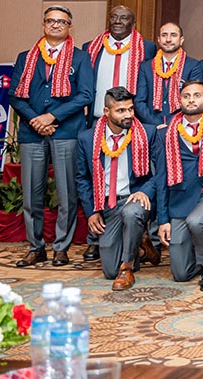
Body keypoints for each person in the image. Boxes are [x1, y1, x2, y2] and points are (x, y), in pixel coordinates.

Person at [9, 5, 93, 268]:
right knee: (31, 194)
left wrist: (52, 117)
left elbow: (85, 95)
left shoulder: (81, 58)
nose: (56, 24)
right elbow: (14, 95)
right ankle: (36, 247)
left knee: (67, 193)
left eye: (62, 21)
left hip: (66, 131)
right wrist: (37, 120)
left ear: (70, 27)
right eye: (51, 20)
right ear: (43, 24)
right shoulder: (26, 57)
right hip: (32, 132)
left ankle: (61, 248)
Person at [81, 5, 157, 262]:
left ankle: (139, 236)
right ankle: (96, 238)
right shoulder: (91, 47)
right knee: (97, 172)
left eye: (124, 18)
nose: (117, 21)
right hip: (98, 120)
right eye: (113, 17)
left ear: (133, 23)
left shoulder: (147, 48)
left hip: (130, 122)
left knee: (131, 176)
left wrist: (133, 114)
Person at [75, 87, 159, 291]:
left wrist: (145, 191)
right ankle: (140, 245)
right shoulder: (87, 138)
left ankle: (127, 268)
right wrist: (92, 212)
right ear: (106, 112)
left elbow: (162, 172)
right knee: (109, 270)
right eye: (121, 110)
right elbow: (82, 178)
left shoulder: (147, 133)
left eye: (130, 109)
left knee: (131, 213)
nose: (128, 115)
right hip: (108, 203)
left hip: (135, 198)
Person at [154, 81, 203, 290]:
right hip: (181, 198)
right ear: (179, 101)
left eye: (197, 95)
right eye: (186, 96)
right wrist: (163, 220)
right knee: (181, 274)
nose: (191, 100)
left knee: (197, 220)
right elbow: (161, 178)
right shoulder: (165, 134)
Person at [133, 22, 203, 127]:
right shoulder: (146, 67)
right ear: (158, 39)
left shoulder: (193, 66)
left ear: (181, 40)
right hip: (152, 127)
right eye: (164, 35)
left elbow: (194, 101)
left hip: (181, 126)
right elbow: (139, 102)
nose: (168, 39)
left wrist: (173, 124)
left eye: (173, 35)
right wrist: (157, 124)